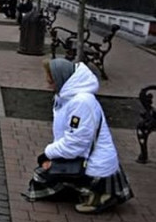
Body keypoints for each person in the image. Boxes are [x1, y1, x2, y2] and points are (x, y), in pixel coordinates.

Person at [23, 58, 133, 213]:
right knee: (42, 175)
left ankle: (99, 193)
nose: (48, 85)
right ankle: (87, 190)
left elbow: (75, 143)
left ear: (61, 79)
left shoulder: (81, 102)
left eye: (51, 81)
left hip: (95, 165)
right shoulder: (67, 97)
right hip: (87, 157)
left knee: (41, 177)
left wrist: (47, 154)